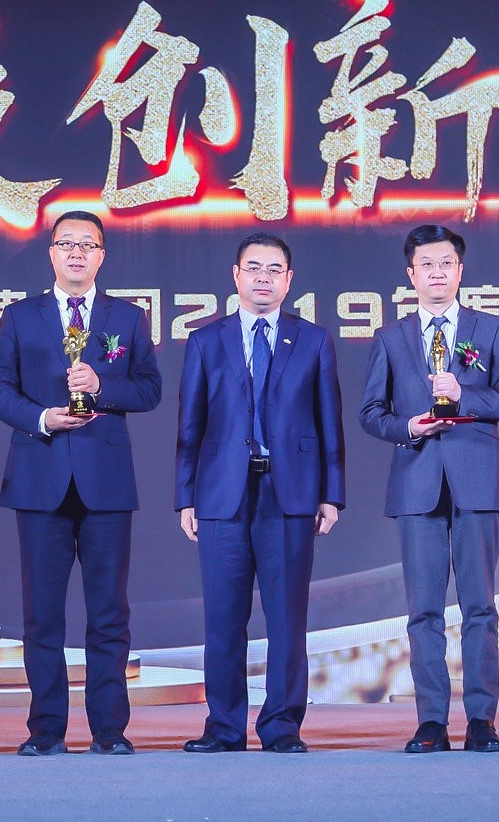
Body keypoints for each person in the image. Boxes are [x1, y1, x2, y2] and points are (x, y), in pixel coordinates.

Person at [0, 210, 162, 756]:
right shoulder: (21, 316)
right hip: (39, 477)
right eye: (67, 243)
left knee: (109, 613)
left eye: (88, 244)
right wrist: (42, 417)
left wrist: (101, 385)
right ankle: (45, 731)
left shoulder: (128, 317)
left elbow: (149, 390)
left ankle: (109, 730)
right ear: (52, 253)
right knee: (42, 615)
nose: (77, 253)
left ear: (102, 255)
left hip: (105, 482)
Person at [174, 232, 345, 754]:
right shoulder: (207, 340)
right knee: (223, 618)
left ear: (289, 281)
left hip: (290, 494)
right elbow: (190, 427)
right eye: (254, 268)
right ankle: (224, 727)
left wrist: (331, 494)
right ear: (236, 276)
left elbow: (330, 424)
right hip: (221, 495)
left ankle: (282, 725)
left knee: (287, 617)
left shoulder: (313, 340)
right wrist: (186, 496)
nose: (263, 278)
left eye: (274, 270)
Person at [359, 224, 499, 753]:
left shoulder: (490, 329)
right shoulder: (391, 337)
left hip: (477, 481)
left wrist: (465, 393)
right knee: (423, 611)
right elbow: (371, 412)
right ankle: (431, 720)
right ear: (411, 274)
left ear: (460, 270)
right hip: (417, 482)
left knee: (480, 607)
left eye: (446, 263)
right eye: (426, 265)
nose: (437, 273)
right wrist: (407, 427)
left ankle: (481, 720)